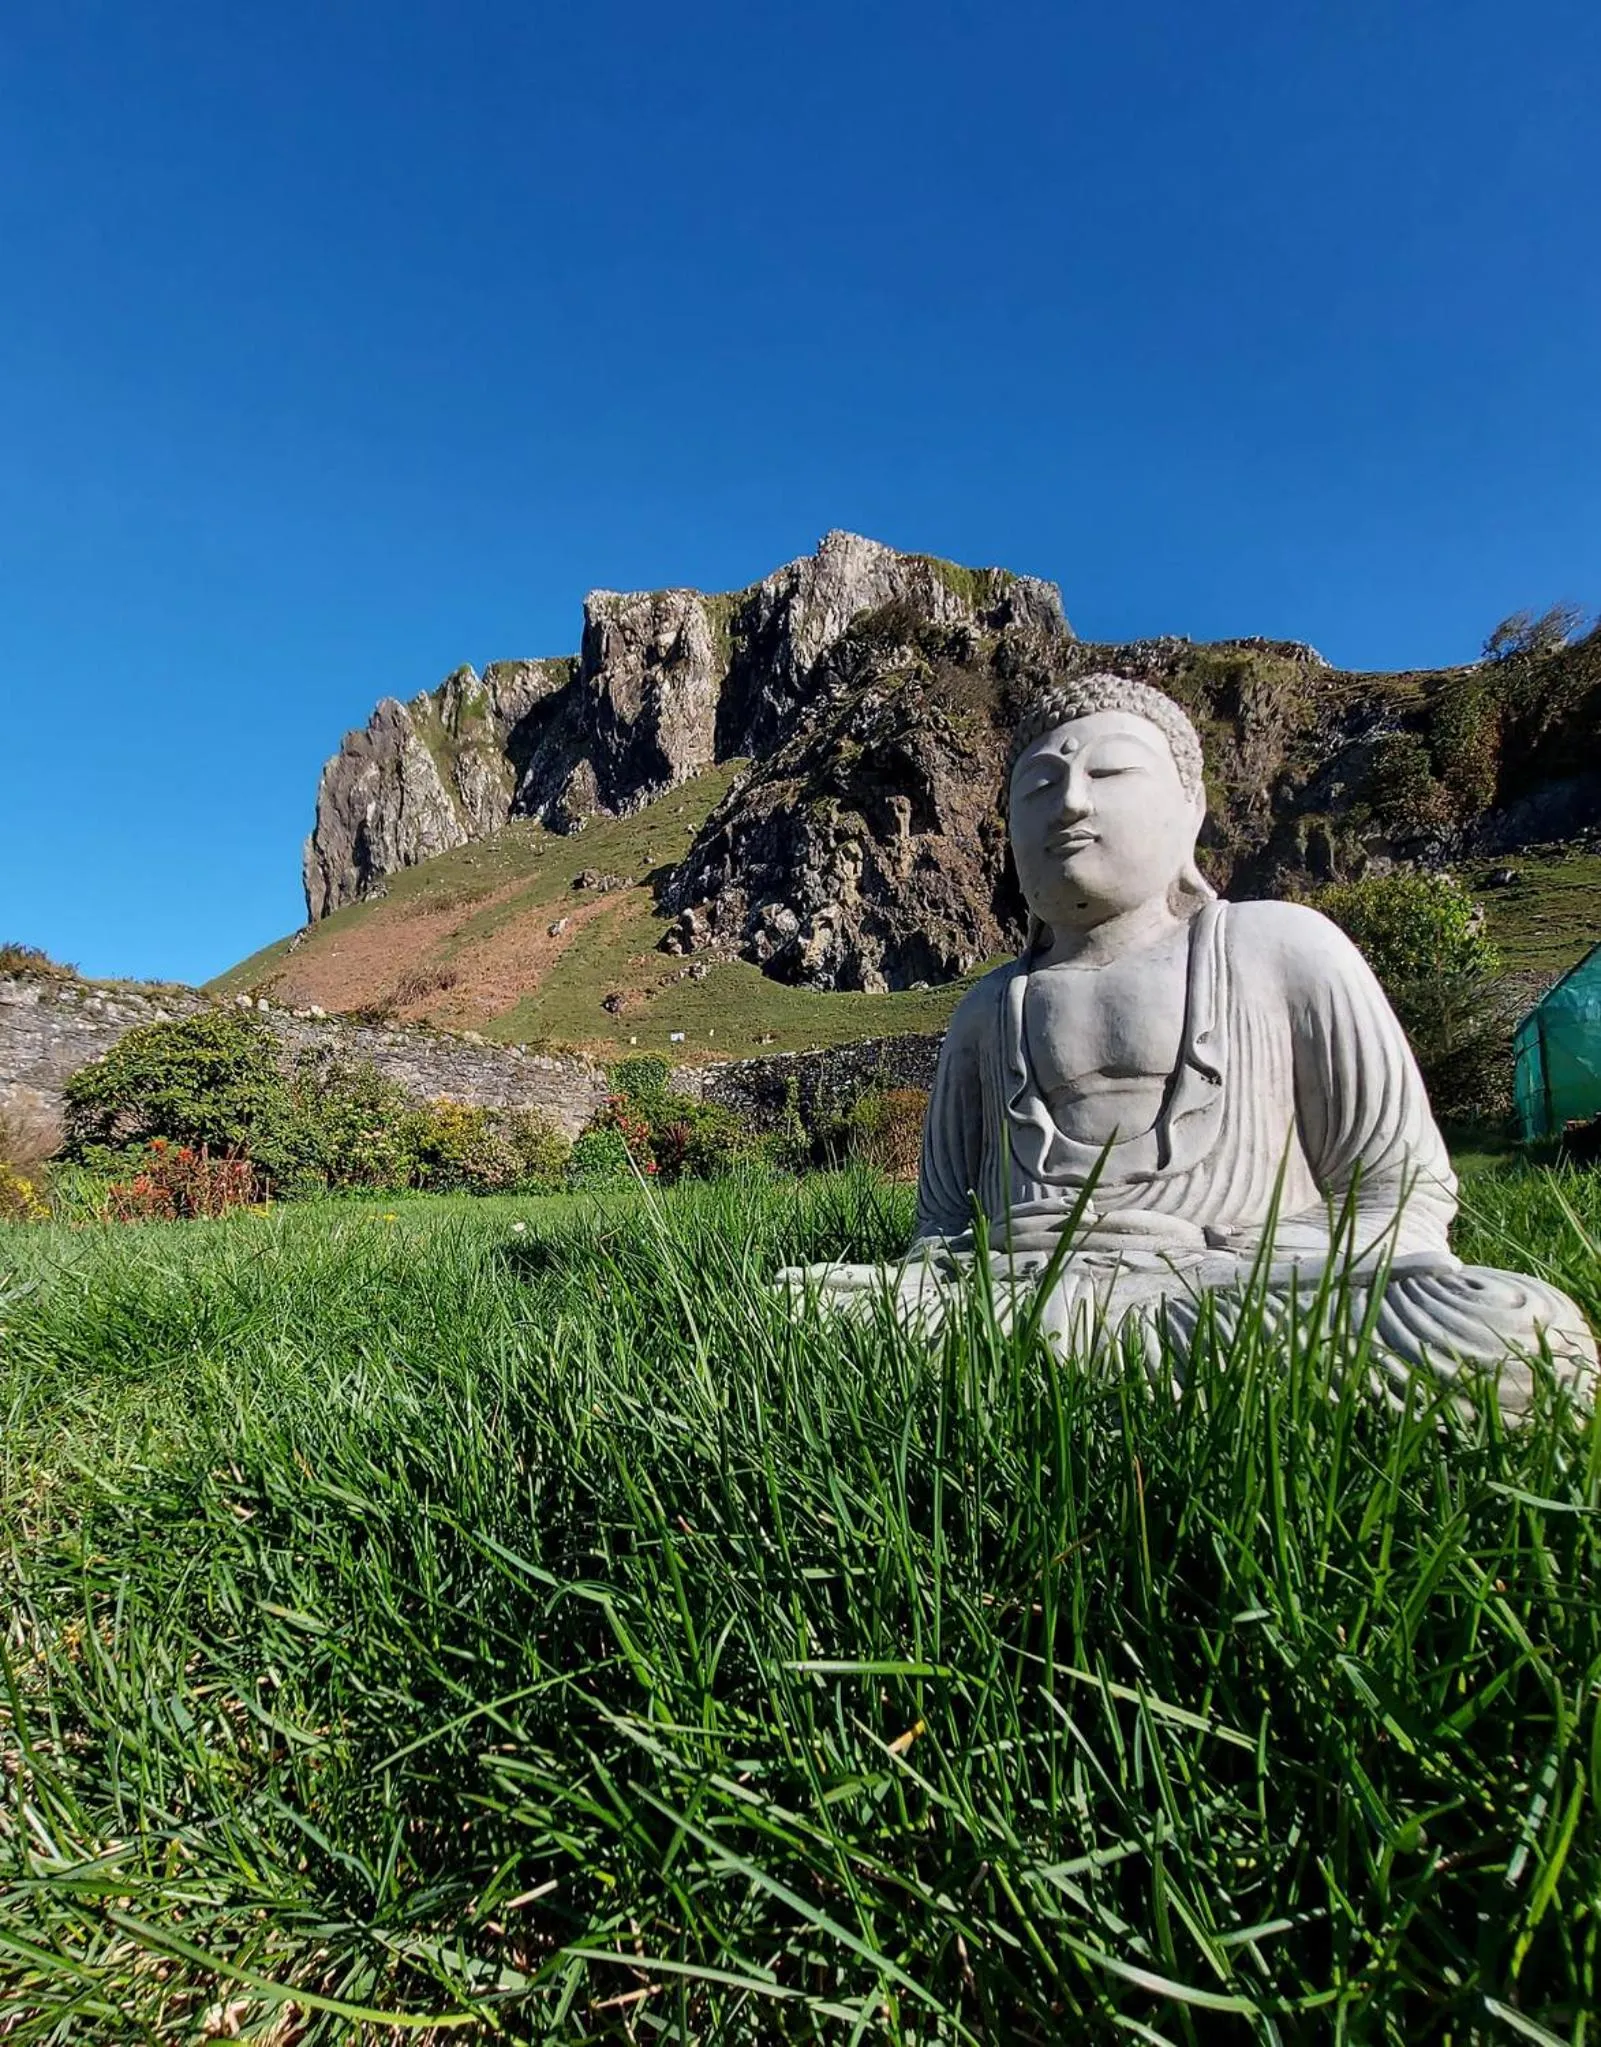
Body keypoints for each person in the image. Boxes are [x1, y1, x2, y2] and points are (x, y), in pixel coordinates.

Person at [782, 673, 1596, 1410]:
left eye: (1107, 774)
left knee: (1519, 1329)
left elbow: (1401, 1193)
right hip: (1015, 1288)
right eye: (1037, 786)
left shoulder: (1281, 945)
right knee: (794, 1304)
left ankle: (1056, 1363)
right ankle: (1110, 1358)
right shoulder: (986, 1011)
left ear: (1189, 809)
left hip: (1234, 1290)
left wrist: (1231, 1258)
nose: (1068, 802)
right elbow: (937, 1233)